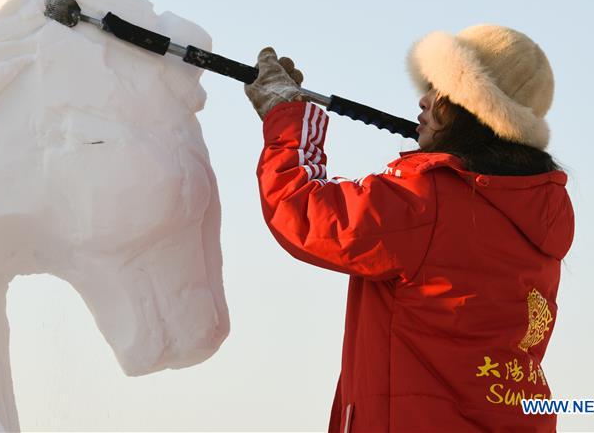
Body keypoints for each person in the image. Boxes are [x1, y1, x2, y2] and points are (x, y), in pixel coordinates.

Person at [244, 24, 574, 432]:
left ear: (467, 109)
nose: (423, 100)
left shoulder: (429, 199)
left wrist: (286, 116)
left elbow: (303, 211)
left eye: (437, 90)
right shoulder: (534, 209)